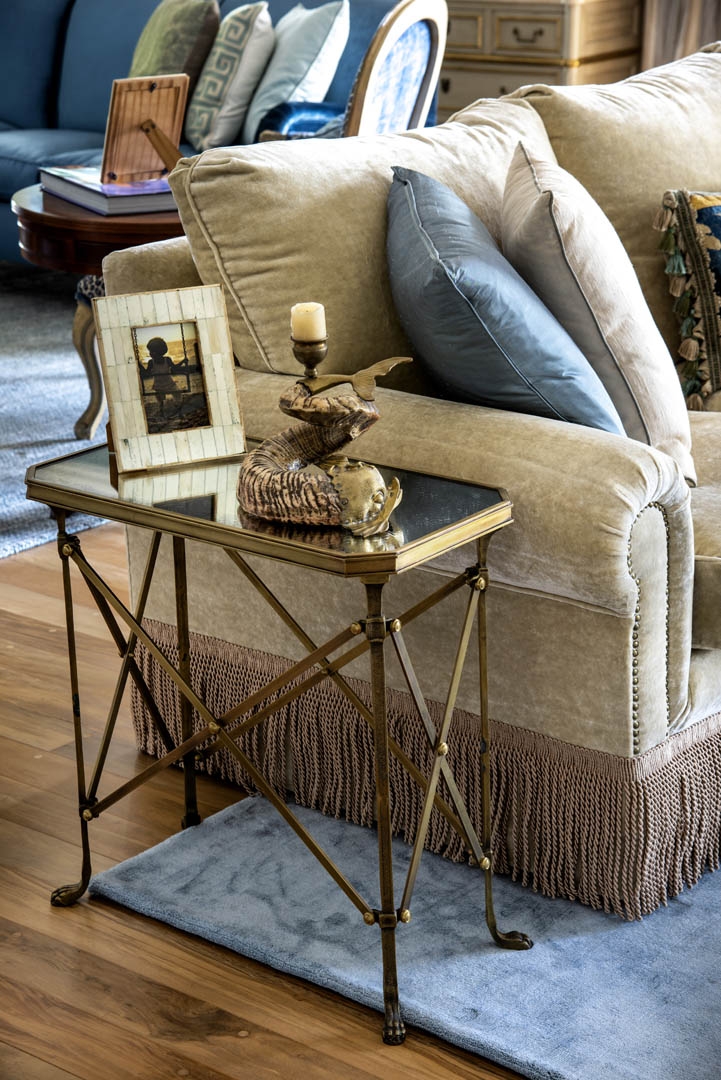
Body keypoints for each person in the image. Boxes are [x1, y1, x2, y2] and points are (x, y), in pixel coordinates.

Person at [141, 336, 184, 419]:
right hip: (159, 386)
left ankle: (179, 411)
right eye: (150, 351)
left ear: (160, 352)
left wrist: (183, 361)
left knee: (178, 394)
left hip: (170, 384)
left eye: (152, 351)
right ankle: (162, 413)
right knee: (161, 402)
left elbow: (175, 368)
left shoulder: (167, 360)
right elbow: (146, 373)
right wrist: (139, 365)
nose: (150, 353)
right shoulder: (151, 362)